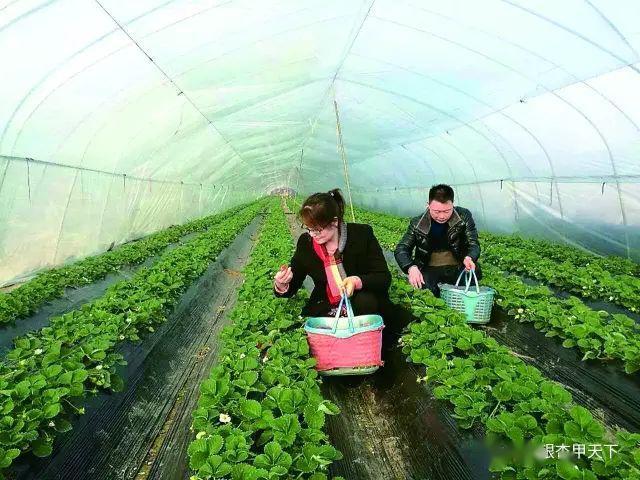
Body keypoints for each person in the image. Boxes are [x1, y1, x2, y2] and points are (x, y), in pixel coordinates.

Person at [273, 189, 391, 319]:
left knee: (365, 303)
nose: (312, 235)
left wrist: (356, 281)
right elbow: (294, 282)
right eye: (309, 229)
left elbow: (383, 277)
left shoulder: (362, 235)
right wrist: (282, 284)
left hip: (364, 303)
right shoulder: (306, 243)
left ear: (334, 222)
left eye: (317, 230)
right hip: (326, 304)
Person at [394, 184, 482, 297]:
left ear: (452, 205)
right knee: (426, 295)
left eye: (446, 211)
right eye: (436, 211)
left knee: (467, 294)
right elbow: (402, 249)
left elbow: (473, 243)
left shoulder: (463, 216)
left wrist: (470, 257)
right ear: (428, 205)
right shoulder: (417, 223)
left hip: (458, 266)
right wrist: (411, 267)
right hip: (429, 268)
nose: (441, 216)